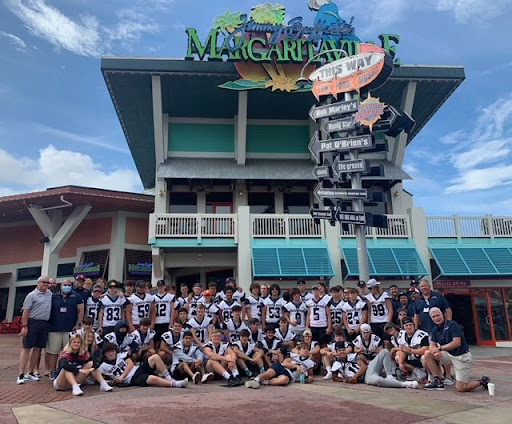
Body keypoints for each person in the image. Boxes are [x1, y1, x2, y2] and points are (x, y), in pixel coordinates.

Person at [422, 307, 490, 392]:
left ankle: (483, 381)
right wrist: (434, 350)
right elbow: (432, 344)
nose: (436, 318)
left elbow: (457, 343)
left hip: (461, 357)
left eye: (438, 315)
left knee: (461, 388)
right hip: (449, 355)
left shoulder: (452, 325)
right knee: (427, 354)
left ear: (443, 315)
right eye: (434, 317)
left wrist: (439, 348)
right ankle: (437, 381)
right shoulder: (435, 329)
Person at [98, 342, 188, 388]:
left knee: (155, 357)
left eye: (112, 351)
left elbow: (130, 364)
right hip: (132, 379)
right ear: (105, 354)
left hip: (137, 369)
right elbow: (98, 377)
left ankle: (169, 377)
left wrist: (122, 376)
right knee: (152, 378)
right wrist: (108, 382)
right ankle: (176, 384)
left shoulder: (120, 355)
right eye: (108, 352)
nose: (111, 353)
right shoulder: (103, 366)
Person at [17, 276, 53, 384]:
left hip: (44, 323)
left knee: (38, 349)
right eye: (44, 282)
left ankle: (30, 372)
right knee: (27, 348)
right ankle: (21, 374)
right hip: (32, 322)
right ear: (38, 283)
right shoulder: (31, 295)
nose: (46, 284)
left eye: (47, 283)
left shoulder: (50, 294)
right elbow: (25, 311)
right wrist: (25, 326)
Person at [46, 279, 84, 380]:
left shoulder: (76, 296)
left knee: (68, 352)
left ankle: (65, 371)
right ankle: (53, 372)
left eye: (69, 285)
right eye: (64, 285)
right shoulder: (53, 296)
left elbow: (81, 310)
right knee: (53, 352)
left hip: (69, 329)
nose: (67, 286)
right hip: (54, 328)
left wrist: (78, 324)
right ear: (61, 286)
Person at [393, 317, 429, 382]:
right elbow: (402, 350)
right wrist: (400, 363)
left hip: (420, 359)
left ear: (414, 325)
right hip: (411, 358)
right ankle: (417, 371)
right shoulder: (402, 335)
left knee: (425, 357)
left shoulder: (422, 334)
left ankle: (430, 376)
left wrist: (411, 350)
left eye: (410, 325)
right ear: (403, 327)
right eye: (406, 325)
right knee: (398, 355)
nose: (409, 327)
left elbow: (425, 349)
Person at [153, 279, 175, 349]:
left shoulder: (170, 296)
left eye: (162, 286)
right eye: (159, 286)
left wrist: (171, 322)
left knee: (165, 342)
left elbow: (172, 310)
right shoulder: (153, 297)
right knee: (156, 342)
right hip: (156, 322)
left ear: (165, 286)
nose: (160, 288)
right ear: (156, 287)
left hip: (166, 321)